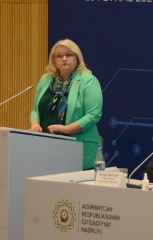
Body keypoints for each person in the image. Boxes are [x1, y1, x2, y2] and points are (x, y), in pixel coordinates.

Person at [30, 39, 103, 170]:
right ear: (54, 60)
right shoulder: (46, 80)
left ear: (77, 57)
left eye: (69, 55)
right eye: (59, 56)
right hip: (45, 146)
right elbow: (35, 110)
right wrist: (34, 124)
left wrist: (66, 130)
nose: (64, 59)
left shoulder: (88, 80)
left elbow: (93, 115)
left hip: (78, 146)